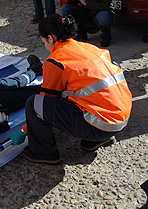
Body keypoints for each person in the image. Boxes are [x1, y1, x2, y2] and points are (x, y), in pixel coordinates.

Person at [10, 14, 132, 164]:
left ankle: (44, 152)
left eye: (44, 42)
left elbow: (45, 102)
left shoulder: (56, 61)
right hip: (122, 118)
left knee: (34, 103)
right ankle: (94, 139)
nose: (46, 46)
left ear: (50, 38)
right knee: (73, 92)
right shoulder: (89, 48)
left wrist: (24, 130)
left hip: (101, 125)